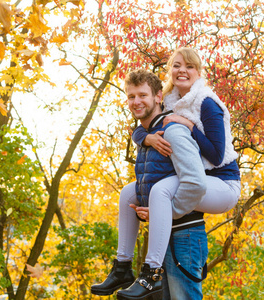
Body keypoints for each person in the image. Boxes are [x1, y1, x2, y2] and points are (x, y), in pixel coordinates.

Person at [131, 47, 241, 299]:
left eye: (189, 66)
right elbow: (143, 126)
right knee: (136, 191)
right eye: (177, 65)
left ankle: (150, 272)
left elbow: (215, 154)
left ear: (198, 72)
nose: (182, 70)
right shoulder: (169, 99)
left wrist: (190, 126)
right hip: (195, 180)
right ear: (170, 70)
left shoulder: (207, 103)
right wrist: (146, 138)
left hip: (222, 182)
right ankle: (123, 265)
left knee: (160, 192)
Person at [91, 69, 208, 300]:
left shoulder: (172, 131)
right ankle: (122, 267)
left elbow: (195, 182)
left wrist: (164, 213)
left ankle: (142, 272)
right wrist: (143, 137)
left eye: (142, 95)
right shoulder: (147, 134)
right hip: (163, 236)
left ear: (158, 97)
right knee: (127, 192)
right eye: (131, 96)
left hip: (184, 234)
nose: (136, 102)